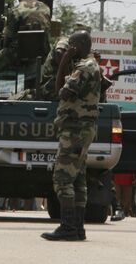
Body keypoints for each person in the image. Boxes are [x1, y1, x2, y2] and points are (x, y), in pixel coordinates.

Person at [42, 30, 100, 241]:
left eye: (72, 46)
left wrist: (64, 60)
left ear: (80, 46)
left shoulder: (84, 67)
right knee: (78, 179)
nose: (69, 49)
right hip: (82, 130)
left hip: (76, 130)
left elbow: (61, 91)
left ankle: (68, 226)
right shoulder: (88, 66)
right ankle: (78, 227)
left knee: (62, 178)